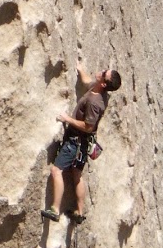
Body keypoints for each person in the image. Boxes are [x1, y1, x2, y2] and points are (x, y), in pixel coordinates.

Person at [42, 60, 122, 225]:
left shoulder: (95, 102)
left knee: (56, 170)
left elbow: (88, 126)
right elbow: (87, 82)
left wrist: (68, 119)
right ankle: (79, 212)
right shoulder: (98, 90)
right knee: (76, 174)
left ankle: (55, 209)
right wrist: (80, 69)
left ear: (104, 83)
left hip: (76, 142)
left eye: (104, 73)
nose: (102, 70)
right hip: (83, 143)